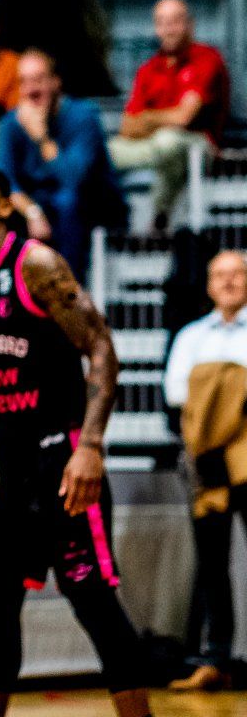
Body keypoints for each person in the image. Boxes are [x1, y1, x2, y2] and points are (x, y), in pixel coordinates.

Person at [0, 163, 150, 716]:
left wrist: (91, 444)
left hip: (59, 457)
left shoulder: (34, 263)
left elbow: (103, 348)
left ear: (4, 205)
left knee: (93, 600)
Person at [162, 250, 247, 692]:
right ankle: (216, 657)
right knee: (211, 563)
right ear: (209, 284)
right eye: (220, 275)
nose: (229, 282)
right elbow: (177, 394)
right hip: (206, 459)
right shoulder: (191, 336)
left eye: (237, 274)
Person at [108, 0, 230, 230]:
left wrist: (148, 118)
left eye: (175, 21)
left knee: (168, 142)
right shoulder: (149, 69)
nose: (168, 29)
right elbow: (127, 127)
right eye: (162, 22)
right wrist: (162, 119)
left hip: (199, 146)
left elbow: (185, 117)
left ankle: (159, 215)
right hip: (156, 147)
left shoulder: (207, 58)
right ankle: (122, 220)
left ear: (190, 24)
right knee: (106, 150)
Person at [0, 49, 120, 270]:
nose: (31, 89)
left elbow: (73, 178)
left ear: (55, 82)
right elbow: (5, 181)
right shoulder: (11, 123)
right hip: (38, 203)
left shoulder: (83, 116)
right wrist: (33, 212)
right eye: (24, 82)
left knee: (67, 201)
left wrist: (42, 138)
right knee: (2, 209)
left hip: (91, 201)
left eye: (38, 80)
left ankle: (70, 288)